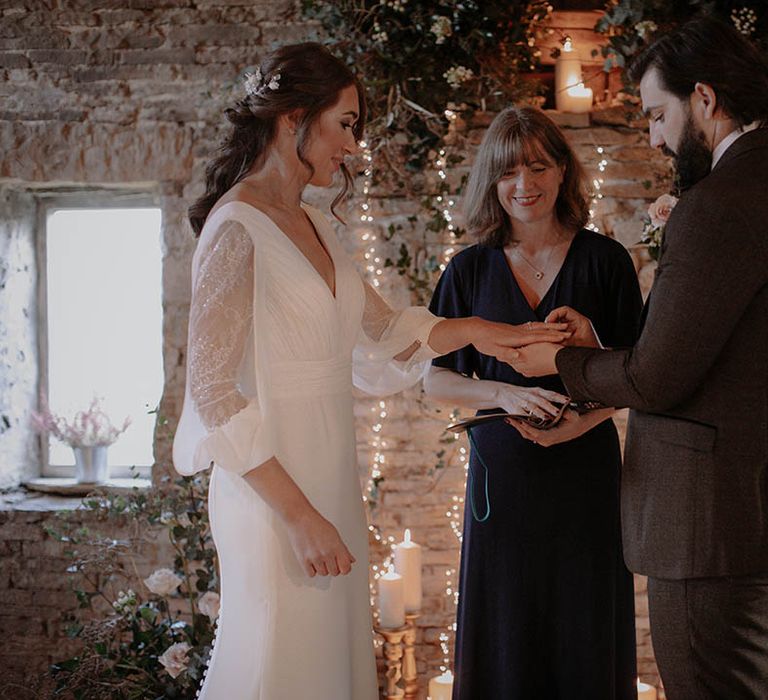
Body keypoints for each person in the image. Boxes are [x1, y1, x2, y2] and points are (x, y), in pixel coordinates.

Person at [171, 43, 569, 699]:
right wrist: (300, 517)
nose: (354, 146)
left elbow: (383, 333)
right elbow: (213, 394)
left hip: (331, 476)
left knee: (332, 662)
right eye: (347, 123)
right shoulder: (236, 226)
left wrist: (485, 332)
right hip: (274, 496)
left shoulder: (316, 224)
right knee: (277, 663)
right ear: (293, 115)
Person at [510, 17, 768, 700]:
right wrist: (603, 350)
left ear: (705, 99)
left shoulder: (718, 205)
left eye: (658, 114)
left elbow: (659, 377)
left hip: (707, 527)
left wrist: (558, 365)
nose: (653, 136)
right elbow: (717, 352)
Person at [424, 106, 642, 699]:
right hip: (501, 488)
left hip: (586, 480)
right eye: (509, 173)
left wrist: (576, 425)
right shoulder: (467, 270)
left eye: (539, 167)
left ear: (563, 172)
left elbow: (637, 378)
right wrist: (503, 392)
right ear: (491, 184)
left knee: (585, 634)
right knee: (504, 640)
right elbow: (435, 380)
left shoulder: (607, 261)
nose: (525, 185)